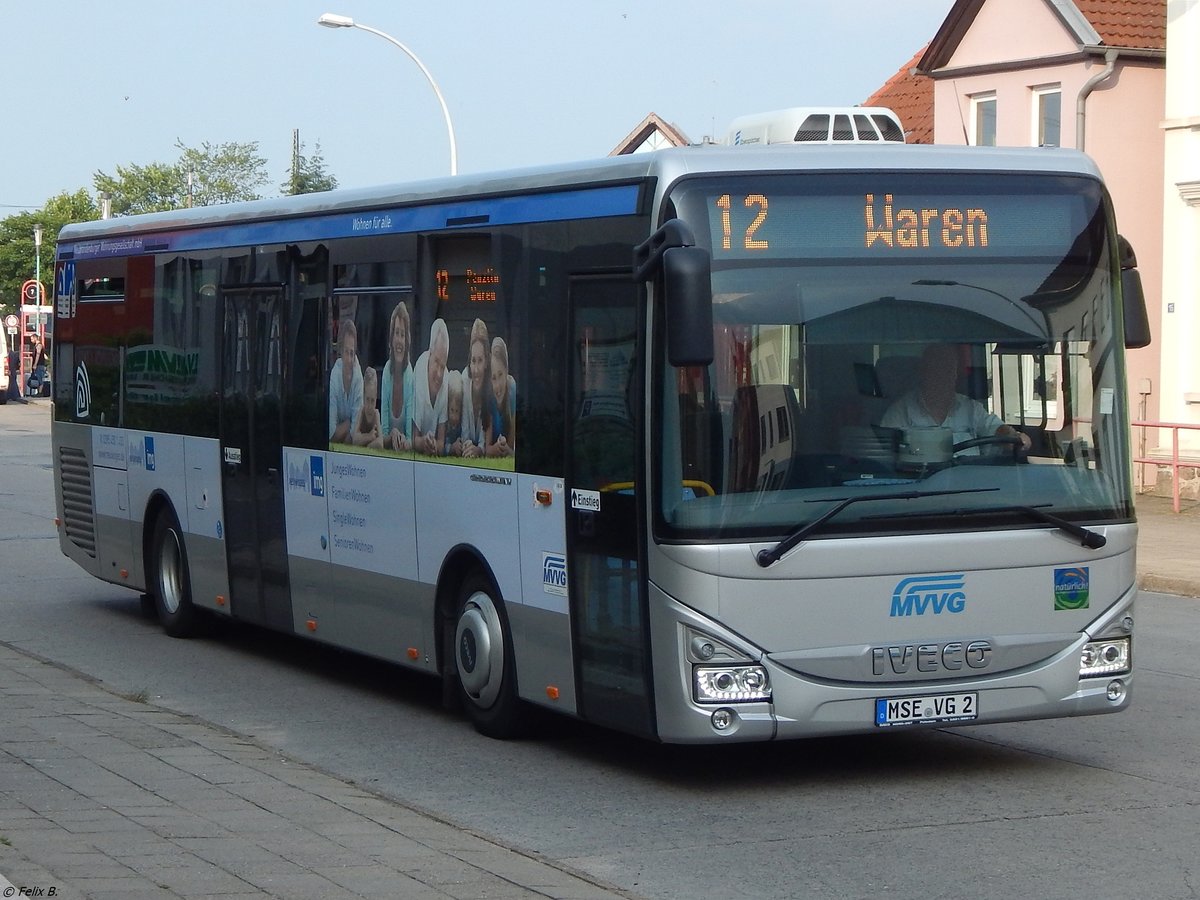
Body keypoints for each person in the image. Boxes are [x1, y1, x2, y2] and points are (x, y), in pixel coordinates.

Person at [880, 344, 1031, 454]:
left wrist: (1014, 437)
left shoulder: (971, 408)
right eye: (937, 369)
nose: (943, 376)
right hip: (919, 491)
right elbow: (886, 456)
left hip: (969, 488)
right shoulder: (900, 412)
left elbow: (996, 428)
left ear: (956, 375)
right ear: (923, 372)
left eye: (949, 370)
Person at [411, 318, 449, 456]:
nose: (439, 373)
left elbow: (441, 442)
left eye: (443, 366)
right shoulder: (419, 372)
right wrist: (425, 442)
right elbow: (412, 438)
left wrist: (434, 446)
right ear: (430, 354)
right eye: (436, 362)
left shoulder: (446, 379)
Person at [380, 301, 414, 452]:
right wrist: (392, 435)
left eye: (402, 334)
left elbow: (410, 436)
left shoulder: (410, 376)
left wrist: (403, 442)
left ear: (407, 341)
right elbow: (383, 433)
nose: (399, 340)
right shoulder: (387, 371)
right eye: (396, 333)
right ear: (391, 339)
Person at [329, 319, 363, 444]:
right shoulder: (335, 375)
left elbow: (354, 435)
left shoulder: (358, 378)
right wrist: (349, 423)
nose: (349, 359)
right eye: (346, 352)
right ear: (341, 352)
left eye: (352, 353)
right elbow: (331, 433)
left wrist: (344, 429)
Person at [459, 319, 489, 459]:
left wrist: (480, 449)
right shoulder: (465, 379)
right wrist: (468, 445)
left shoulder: (491, 383)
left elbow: (486, 438)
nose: (476, 369)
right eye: (473, 360)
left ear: (486, 362)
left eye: (480, 360)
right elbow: (464, 428)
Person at [484, 336, 515, 458]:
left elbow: (513, 452)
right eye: (493, 378)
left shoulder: (512, 390)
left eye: (500, 375)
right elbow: (487, 450)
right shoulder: (489, 397)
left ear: (507, 371)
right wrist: (496, 448)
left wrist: (507, 449)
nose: (497, 386)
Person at [352, 366, 384, 449]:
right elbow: (354, 440)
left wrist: (366, 446)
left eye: (372, 400)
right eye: (367, 399)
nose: (370, 406)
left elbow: (380, 443)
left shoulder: (376, 414)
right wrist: (369, 437)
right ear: (363, 396)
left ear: (376, 398)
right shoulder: (361, 412)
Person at [444, 369, 465, 456]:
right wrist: (451, 448)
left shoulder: (462, 423)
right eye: (452, 410)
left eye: (457, 411)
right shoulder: (445, 423)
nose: (454, 416)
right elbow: (442, 444)